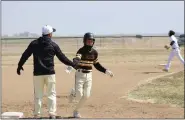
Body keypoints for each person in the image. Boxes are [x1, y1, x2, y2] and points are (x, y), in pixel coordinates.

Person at [16, 25, 78, 119]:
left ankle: (37, 115)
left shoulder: (34, 44)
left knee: (38, 95)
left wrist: (19, 65)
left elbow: (25, 55)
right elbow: (62, 58)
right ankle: (52, 114)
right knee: (51, 94)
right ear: (50, 34)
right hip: (50, 73)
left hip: (37, 74)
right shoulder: (53, 45)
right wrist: (73, 64)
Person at [65, 32, 114, 118]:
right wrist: (72, 66)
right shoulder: (81, 51)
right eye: (88, 41)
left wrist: (106, 71)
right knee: (79, 95)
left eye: (91, 41)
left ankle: (76, 111)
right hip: (80, 74)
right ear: (84, 41)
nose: (90, 42)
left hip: (89, 76)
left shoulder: (94, 53)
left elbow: (97, 65)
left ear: (93, 42)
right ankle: (74, 92)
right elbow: (77, 59)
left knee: (86, 96)